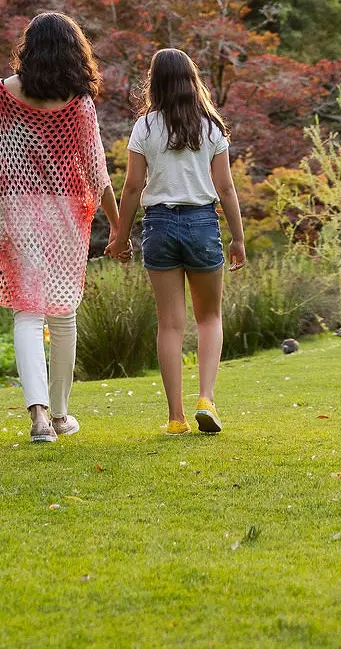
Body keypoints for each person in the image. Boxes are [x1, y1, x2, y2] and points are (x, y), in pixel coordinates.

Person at [0, 11, 119, 442]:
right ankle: (60, 414)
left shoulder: (1, 94)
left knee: (28, 314)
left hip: (17, 212)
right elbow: (97, 173)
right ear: (72, 51)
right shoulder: (78, 102)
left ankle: (39, 417)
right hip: (64, 216)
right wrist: (118, 227)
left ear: (30, 48)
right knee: (63, 316)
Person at [108, 47, 246, 435]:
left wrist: (120, 236)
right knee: (209, 318)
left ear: (156, 82)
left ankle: (176, 417)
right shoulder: (210, 127)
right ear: (191, 80)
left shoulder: (145, 127)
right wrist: (238, 238)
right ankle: (207, 398)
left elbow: (133, 186)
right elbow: (227, 189)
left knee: (169, 325)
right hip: (203, 223)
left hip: (159, 225)